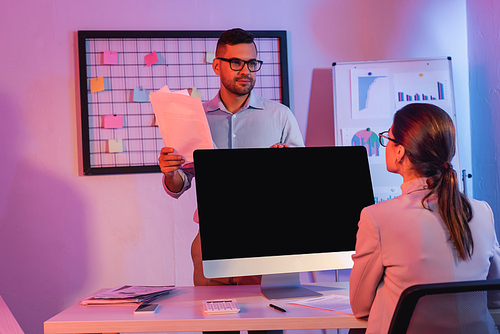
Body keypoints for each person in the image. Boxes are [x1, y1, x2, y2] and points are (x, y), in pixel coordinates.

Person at [159, 28, 304, 334]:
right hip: (211, 238)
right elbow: (179, 184)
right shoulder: (194, 118)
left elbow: (302, 183)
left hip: (268, 240)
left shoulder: (280, 116)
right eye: (236, 63)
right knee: (216, 327)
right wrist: (171, 171)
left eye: (252, 63)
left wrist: (287, 168)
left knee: (268, 328)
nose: (246, 71)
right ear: (217, 65)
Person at [349, 103, 500, 333]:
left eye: (387, 139)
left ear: (399, 151)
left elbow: (360, 307)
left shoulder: (377, 218)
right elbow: (495, 297)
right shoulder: (483, 212)